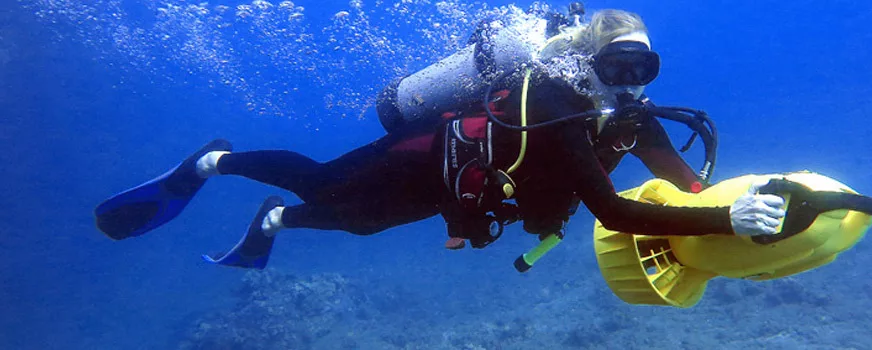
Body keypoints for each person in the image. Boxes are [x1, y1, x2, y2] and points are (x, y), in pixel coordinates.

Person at [94, 9, 786, 269]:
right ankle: (211, 161)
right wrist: (728, 220)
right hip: (430, 153)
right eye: (619, 68)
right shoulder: (551, 96)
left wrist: (741, 198)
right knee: (323, 181)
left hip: (465, 191)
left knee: (363, 227)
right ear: (589, 62)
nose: (631, 84)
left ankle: (272, 221)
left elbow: (692, 185)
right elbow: (614, 211)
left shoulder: (635, 118)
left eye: (644, 70)